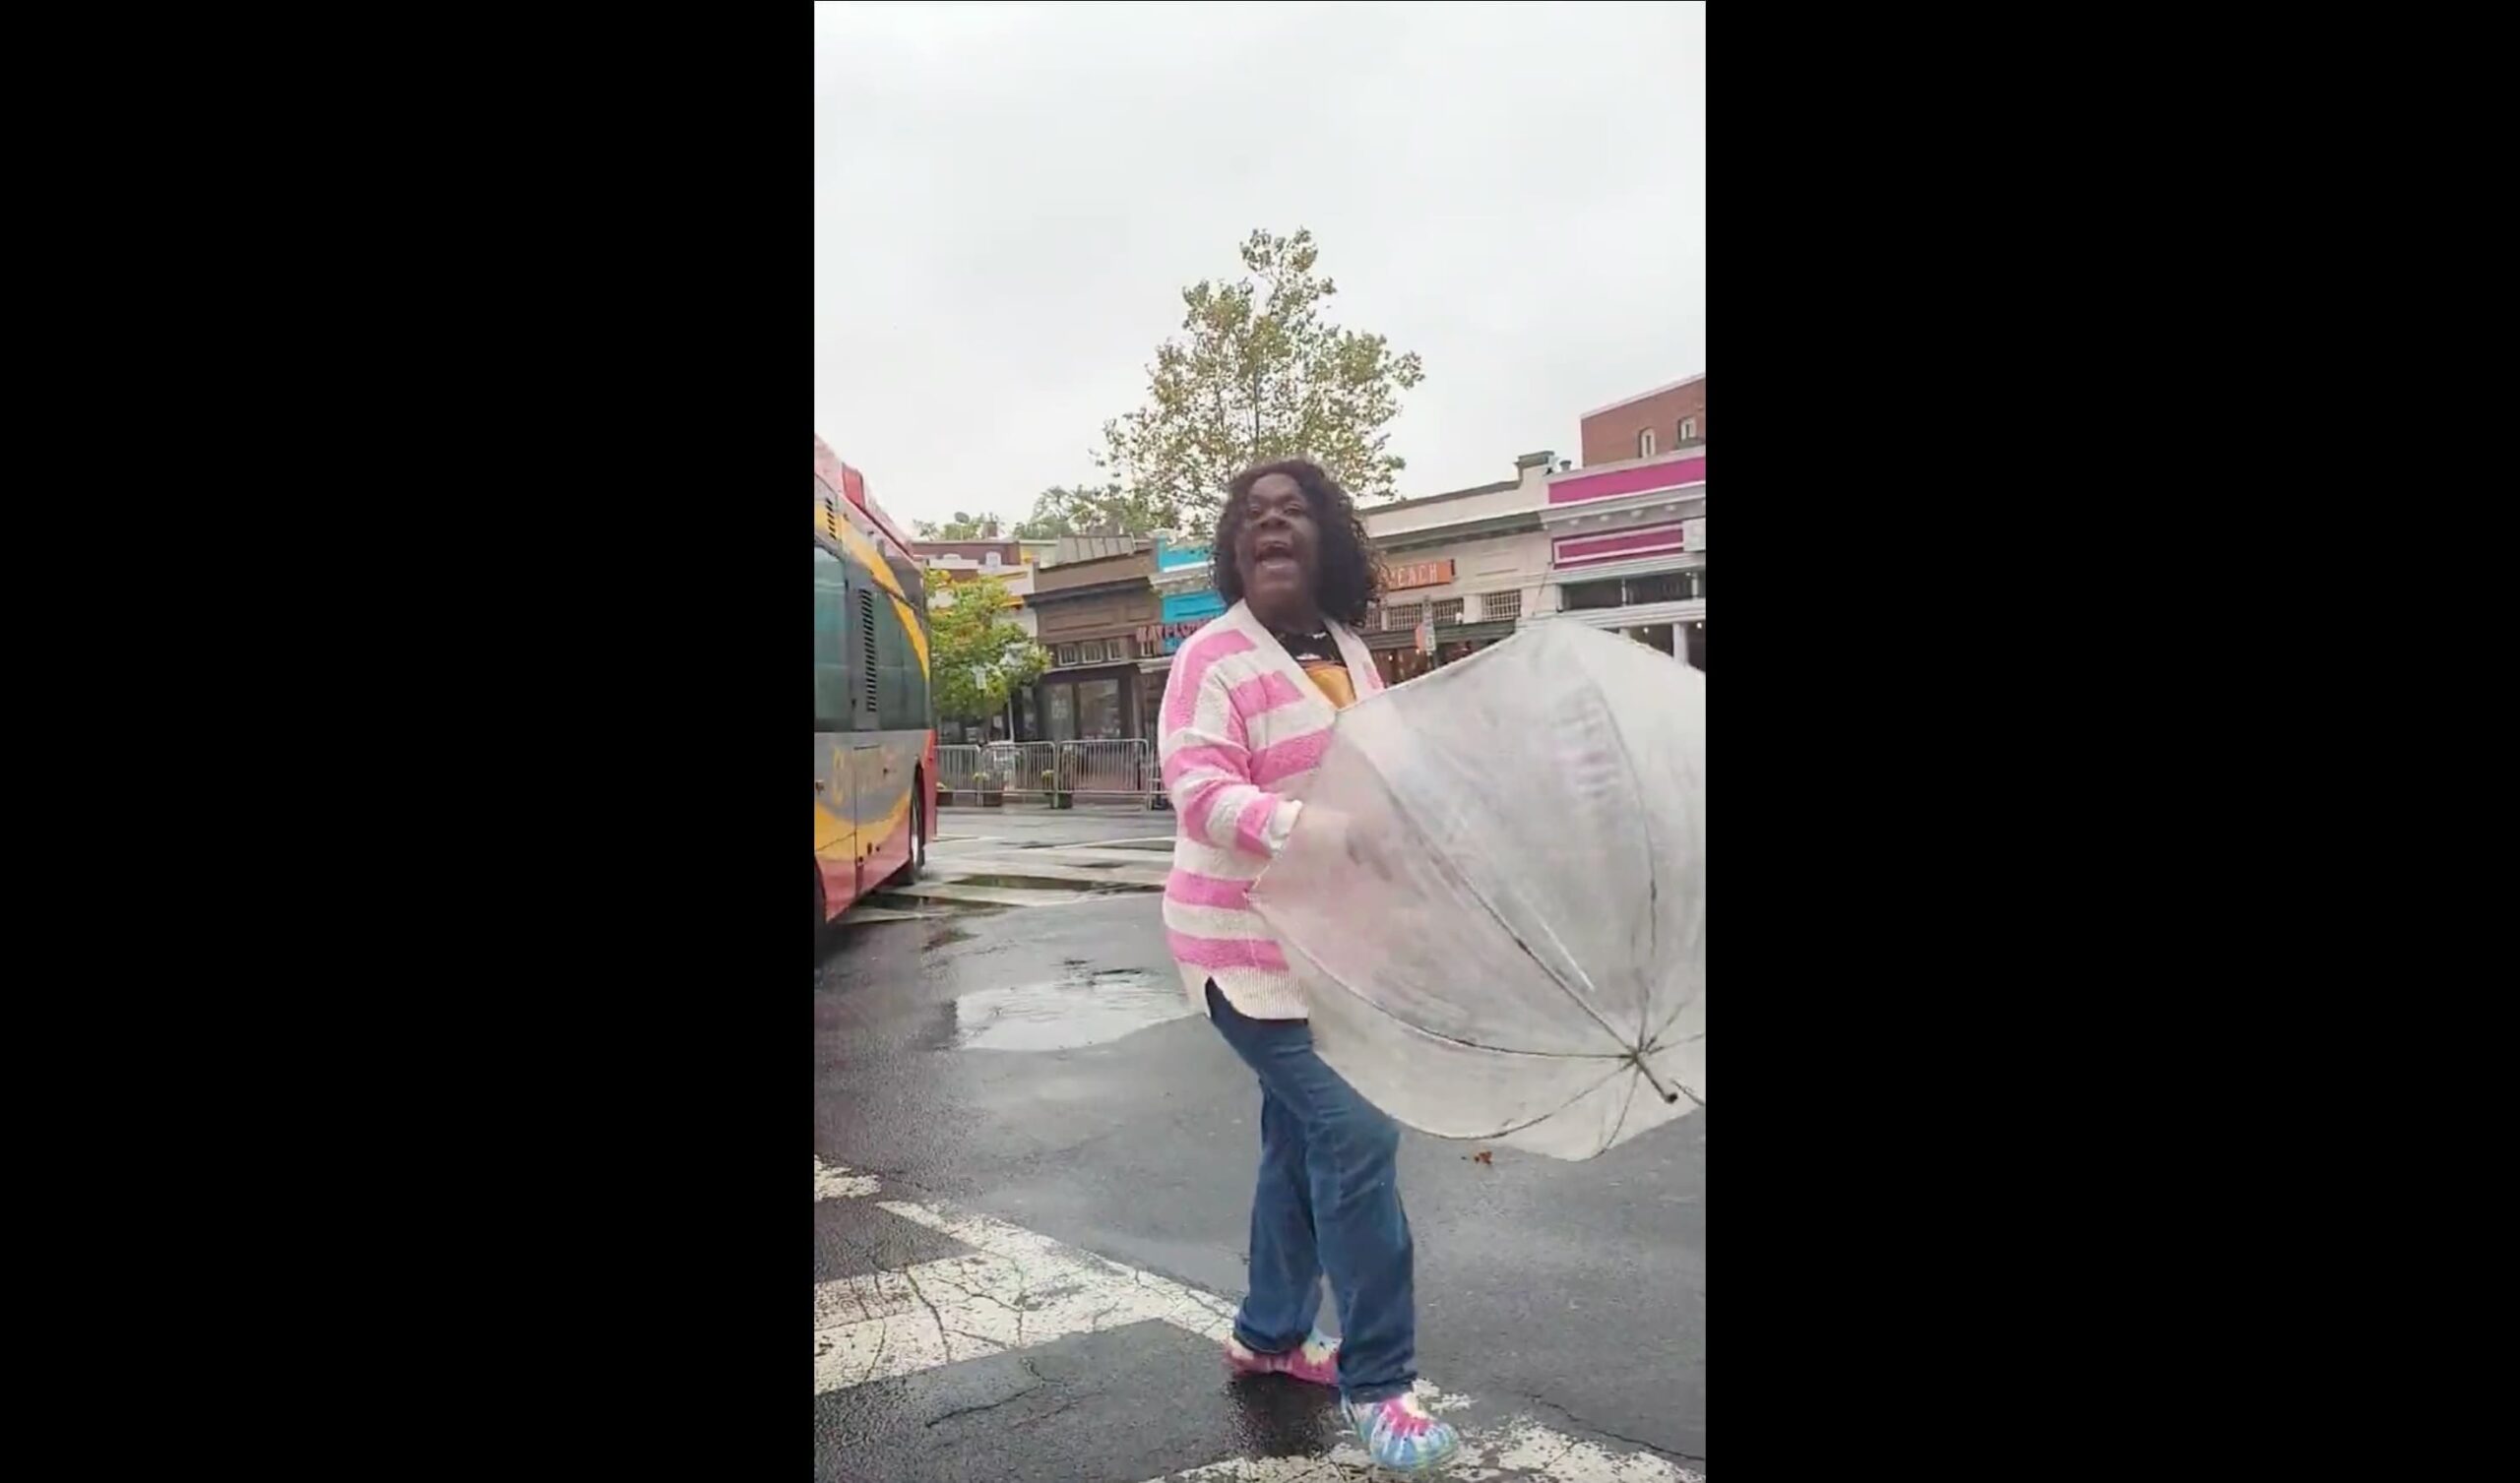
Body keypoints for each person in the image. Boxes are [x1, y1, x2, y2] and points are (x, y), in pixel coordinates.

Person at [1158, 461, 1460, 1474]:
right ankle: (1380, 1380)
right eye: (1252, 515)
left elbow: (1370, 772)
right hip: (1240, 953)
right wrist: (1314, 830)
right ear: (1233, 547)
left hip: (1329, 948)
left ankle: (1269, 1332)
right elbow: (1199, 790)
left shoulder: (1347, 650)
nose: (1270, 525)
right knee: (1355, 1127)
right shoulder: (1211, 657)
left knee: (1297, 1142)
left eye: (1292, 512)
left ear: (1328, 538)